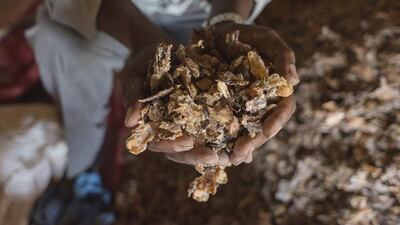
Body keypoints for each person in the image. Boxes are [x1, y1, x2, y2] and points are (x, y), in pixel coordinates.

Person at [2, 0, 299, 224]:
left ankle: (91, 175)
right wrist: (143, 37)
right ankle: (86, 168)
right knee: (67, 52)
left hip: (206, 9)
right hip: (107, 12)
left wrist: (227, 18)